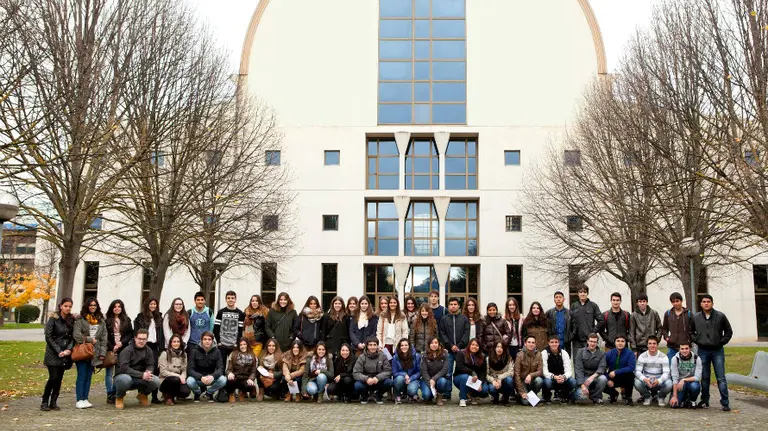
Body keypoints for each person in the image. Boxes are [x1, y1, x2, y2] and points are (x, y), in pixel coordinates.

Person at [690, 294, 733, 411]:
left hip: (717, 350)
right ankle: (705, 401)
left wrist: (721, 342)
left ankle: (725, 403)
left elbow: (729, 331)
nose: (706, 303)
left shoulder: (720, 316)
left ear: (712, 303)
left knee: (720, 378)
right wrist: (697, 340)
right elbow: (690, 332)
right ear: (701, 304)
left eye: (708, 301)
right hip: (703, 350)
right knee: (705, 377)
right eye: (704, 301)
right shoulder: (696, 317)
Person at [72, 297, 107, 409]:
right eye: (91, 305)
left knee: (88, 376)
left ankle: (85, 398)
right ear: (87, 306)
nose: (93, 307)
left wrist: (102, 353)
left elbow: (103, 338)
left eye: (94, 305)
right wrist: (90, 340)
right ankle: (79, 399)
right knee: (82, 376)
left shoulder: (101, 320)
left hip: (94, 353)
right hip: (83, 351)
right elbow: (77, 336)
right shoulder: (80, 320)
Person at [113, 329, 160, 410]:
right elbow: (124, 368)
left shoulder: (148, 350)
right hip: (124, 377)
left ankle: (142, 395)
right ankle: (119, 397)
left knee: (156, 380)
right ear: (135, 338)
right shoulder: (127, 350)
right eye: (139, 338)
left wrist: (149, 371)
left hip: (140, 377)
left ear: (147, 339)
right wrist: (142, 375)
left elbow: (151, 364)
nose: (141, 341)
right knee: (125, 379)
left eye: (144, 339)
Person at [42, 297, 74, 411]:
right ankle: (44, 401)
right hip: (53, 353)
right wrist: (58, 350)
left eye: (70, 306)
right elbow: (48, 337)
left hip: (65, 353)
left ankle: (54, 401)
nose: (68, 308)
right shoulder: (53, 319)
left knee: (59, 379)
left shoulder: (71, 320)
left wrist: (69, 349)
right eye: (66, 306)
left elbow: (72, 337)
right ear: (61, 306)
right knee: (53, 377)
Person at [133, 297, 164, 404]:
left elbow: (161, 334)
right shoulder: (140, 317)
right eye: (151, 304)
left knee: (155, 370)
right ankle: (142, 394)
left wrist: (162, 348)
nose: (153, 306)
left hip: (155, 346)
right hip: (143, 346)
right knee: (143, 369)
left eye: (155, 304)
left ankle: (154, 396)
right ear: (147, 305)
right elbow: (136, 333)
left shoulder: (159, 317)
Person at [105, 299, 133, 404]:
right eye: (115, 306)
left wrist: (121, 343)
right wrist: (112, 346)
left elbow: (130, 334)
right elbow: (104, 335)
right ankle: (110, 393)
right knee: (109, 373)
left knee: (119, 371)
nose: (117, 308)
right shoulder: (107, 320)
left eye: (119, 306)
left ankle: (117, 392)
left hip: (123, 349)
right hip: (110, 349)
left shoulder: (126, 319)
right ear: (112, 308)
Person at [186, 331, 227, 402]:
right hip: (198, 378)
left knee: (223, 379)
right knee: (189, 381)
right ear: (201, 340)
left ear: (212, 341)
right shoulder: (194, 351)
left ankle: (209, 393)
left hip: (211, 378)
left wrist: (213, 376)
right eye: (205, 339)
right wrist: (200, 377)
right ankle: (197, 393)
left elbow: (220, 368)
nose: (207, 341)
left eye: (209, 339)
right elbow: (190, 369)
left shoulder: (217, 352)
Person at [353, 336, 393, 404]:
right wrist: (366, 379)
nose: (373, 347)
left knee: (389, 382)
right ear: (367, 346)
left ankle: (378, 395)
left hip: (378, 381)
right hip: (366, 381)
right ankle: (365, 395)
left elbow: (388, 371)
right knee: (357, 385)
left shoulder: (383, 356)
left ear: (377, 346)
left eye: (375, 345)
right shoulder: (361, 357)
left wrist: (378, 378)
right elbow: (356, 373)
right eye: (370, 345)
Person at [633, 336, 672, 406]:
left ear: (657, 345)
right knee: (637, 382)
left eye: (654, 343)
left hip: (659, 379)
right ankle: (647, 396)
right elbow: (637, 371)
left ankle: (660, 397)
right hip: (647, 379)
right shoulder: (642, 356)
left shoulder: (663, 356)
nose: (652, 345)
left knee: (669, 384)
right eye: (650, 343)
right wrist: (644, 379)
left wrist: (659, 381)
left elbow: (667, 373)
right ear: (647, 345)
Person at [439, 297, 470, 383]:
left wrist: (459, 346)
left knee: (462, 372)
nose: (453, 306)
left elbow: (466, 333)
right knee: (448, 373)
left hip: (461, 350)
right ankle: (447, 394)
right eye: (451, 304)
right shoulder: (444, 319)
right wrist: (451, 345)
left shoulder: (464, 319)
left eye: (455, 304)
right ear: (448, 306)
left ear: (458, 306)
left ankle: (463, 393)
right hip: (449, 351)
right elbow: (442, 334)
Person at [453, 338, 489, 407]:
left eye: (477, 345)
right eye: (472, 345)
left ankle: (472, 394)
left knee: (484, 390)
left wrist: (480, 382)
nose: (474, 347)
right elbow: (460, 367)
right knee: (465, 377)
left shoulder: (482, 356)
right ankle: (463, 398)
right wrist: (472, 372)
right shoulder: (461, 353)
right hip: (460, 378)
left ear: (479, 347)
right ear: (469, 345)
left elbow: (483, 372)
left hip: (475, 379)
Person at [574, 333, 608, 404]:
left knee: (603, 378)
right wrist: (582, 385)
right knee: (581, 396)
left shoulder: (602, 353)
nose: (592, 344)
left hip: (595, 377)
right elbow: (578, 369)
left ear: (597, 343)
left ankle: (596, 397)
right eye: (591, 341)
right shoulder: (580, 352)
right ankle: (571, 395)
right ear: (587, 341)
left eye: (594, 342)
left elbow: (602, 367)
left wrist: (592, 377)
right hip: (584, 378)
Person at [541, 335, 576, 404]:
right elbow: (544, 371)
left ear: (559, 343)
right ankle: (546, 396)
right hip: (550, 378)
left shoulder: (564, 353)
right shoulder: (544, 353)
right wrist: (554, 377)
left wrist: (563, 377)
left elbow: (569, 370)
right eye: (552, 342)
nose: (554, 344)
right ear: (548, 343)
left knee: (573, 382)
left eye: (556, 342)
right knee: (546, 382)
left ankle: (563, 395)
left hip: (562, 378)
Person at [158, 334, 191, 405]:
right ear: (170, 343)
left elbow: (184, 369)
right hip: (165, 380)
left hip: (179, 380)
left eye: (178, 342)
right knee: (175, 379)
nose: (176, 343)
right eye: (174, 342)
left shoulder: (184, 354)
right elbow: (163, 372)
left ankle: (175, 395)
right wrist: (178, 376)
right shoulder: (164, 354)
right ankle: (168, 396)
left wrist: (183, 377)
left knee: (185, 392)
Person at [214, 290, 245, 364]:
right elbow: (216, 328)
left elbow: (240, 330)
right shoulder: (221, 312)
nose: (230, 300)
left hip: (233, 345)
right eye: (228, 298)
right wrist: (218, 342)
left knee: (233, 366)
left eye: (232, 298)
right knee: (221, 365)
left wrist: (237, 343)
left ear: (235, 299)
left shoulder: (240, 313)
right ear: (226, 299)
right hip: (222, 344)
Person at [570, 286, 603, 355]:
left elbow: (601, 321)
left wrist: (593, 332)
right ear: (578, 293)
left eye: (584, 292)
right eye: (580, 292)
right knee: (577, 362)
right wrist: (572, 334)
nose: (582, 294)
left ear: (587, 293)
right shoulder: (573, 306)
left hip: (589, 340)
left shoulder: (593, 306)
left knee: (589, 361)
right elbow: (570, 321)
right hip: (576, 340)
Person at [603, 335, 636, 405]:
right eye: (618, 341)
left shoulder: (630, 353)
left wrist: (616, 371)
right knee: (600, 381)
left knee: (631, 375)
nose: (620, 343)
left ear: (625, 343)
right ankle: (614, 393)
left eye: (622, 341)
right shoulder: (609, 353)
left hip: (624, 377)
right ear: (615, 343)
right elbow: (602, 368)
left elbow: (631, 367)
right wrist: (608, 379)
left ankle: (628, 397)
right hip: (612, 378)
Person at [669, 341, 703, 409]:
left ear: (690, 348)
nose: (684, 351)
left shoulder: (697, 358)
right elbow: (675, 378)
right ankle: (683, 399)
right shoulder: (675, 359)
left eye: (686, 348)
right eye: (682, 349)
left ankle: (692, 400)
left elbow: (698, 377)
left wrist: (684, 380)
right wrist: (675, 396)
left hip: (692, 382)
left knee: (695, 386)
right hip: (680, 385)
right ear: (679, 349)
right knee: (675, 406)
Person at [661, 292, 692, 362]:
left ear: (681, 301)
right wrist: (667, 337)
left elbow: (693, 329)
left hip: (685, 347)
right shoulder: (668, 313)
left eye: (677, 301)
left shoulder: (688, 314)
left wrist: (689, 340)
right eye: (673, 302)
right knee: (671, 368)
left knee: (685, 369)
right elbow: (664, 328)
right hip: (672, 347)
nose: (675, 303)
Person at [225, 338, 259, 403]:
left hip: (246, 378)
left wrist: (251, 378)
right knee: (230, 380)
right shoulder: (233, 354)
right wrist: (229, 373)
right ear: (238, 346)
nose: (243, 346)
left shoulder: (252, 355)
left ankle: (242, 392)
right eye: (241, 345)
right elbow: (228, 369)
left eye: (244, 344)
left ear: (247, 345)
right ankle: (231, 394)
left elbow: (254, 370)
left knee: (249, 385)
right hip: (236, 377)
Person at [420, 337, 451, 405]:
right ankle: (430, 395)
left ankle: (439, 396)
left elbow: (445, 369)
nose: (434, 345)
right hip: (427, 380)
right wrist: (430, 383)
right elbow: (424, 372)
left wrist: (434, 379)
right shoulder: (424, 355)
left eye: (436, 343)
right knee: (426, 396)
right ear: (429, 345)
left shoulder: (444, 354)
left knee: (442, 381)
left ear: (439, 344)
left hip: (439, 379)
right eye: (432, 343)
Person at [514, 335, 544, 405]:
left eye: (533, 343)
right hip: (522, 382)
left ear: (535, 344)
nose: (531, 344)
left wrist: (531, 375)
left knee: (539, 380)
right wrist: (521, 392)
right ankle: (519, 395)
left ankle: (533, 394)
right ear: (525, 343)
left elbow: (540, 371)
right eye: (529, 342)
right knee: (526, 402)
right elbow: (516, 374)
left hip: (532, 381)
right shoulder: (519, 355)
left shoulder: (539, 354)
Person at [392, 338, 421, 403]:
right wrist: (404, 375)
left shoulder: (416, 356)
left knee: (412, 390)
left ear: (409, 346)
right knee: (399, 379)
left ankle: (411, 395)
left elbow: (419, 372)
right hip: (401, 379)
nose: (404, 347)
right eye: (402, 345)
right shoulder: (395, 357)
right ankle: (399, 394)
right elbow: (394, 372)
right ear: (399, 347)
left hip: (413, 379)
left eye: (406, 345)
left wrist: (411, 378)